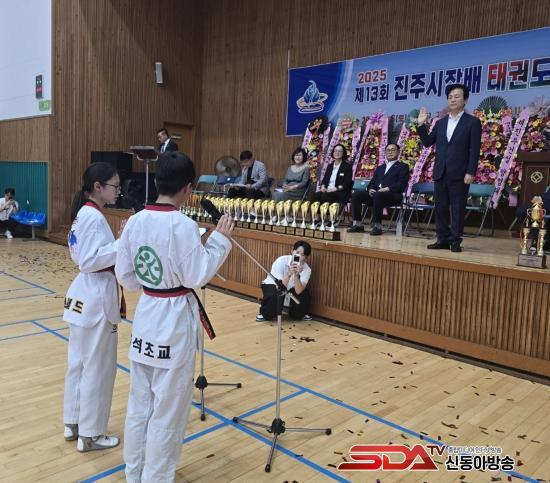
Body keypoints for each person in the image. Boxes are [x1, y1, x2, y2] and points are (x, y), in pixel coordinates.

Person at [115, 151, 234, 483]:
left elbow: (126, 278)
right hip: (173, 322)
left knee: (140, 404)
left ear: (157, 182)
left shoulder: (135, 221)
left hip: (146, 316)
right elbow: (197, 275)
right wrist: (221, 239)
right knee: (168, 410)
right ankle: (155, 477)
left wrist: (152, 282)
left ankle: (134, 472)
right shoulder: (183, 225)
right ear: (188, 188)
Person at [63, 162, 122, 452]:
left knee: (78, 363)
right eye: (115, 186)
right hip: (95, 298)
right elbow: (89, 260)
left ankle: (73, 422)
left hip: (83, 296)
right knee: (98, 368)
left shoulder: (84, 214)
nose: (118, 191)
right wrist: (124, 244)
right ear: (98, 187)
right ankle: (91, 434)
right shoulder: (93, 217)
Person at [417, 83, 482, 253]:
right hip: (441, 172)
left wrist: (471, 171)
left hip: (460, 173)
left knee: (457, 208)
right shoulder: (440, 123)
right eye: (450, 97)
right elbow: (427, 142)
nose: (453, 99)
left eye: (457, 96)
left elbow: (474, 150)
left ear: (465, 100)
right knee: (440, 208)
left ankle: (455, 241)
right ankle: (442, 239)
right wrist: (421, 125)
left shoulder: (472, 122)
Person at [347, 143, 409, 235]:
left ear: (398, 152)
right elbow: (372, 182)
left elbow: (402, 184)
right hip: (377, 195)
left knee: (378, 195)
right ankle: (357, 224)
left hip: (393, 195)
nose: (390, 152)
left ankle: (377, 226)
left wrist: (387, 188)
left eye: (393, 150)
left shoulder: (403, 167)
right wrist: (370, 189)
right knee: (356, 194)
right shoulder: (380, 168)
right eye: (388, 150)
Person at [256, 240, 313, 322]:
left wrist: (296, 276)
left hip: (292, 289)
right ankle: (264, 313)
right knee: (274, 292)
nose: (299, 256)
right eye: (297, 252)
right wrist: (289, 273)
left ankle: (299, 314)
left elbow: (299, 291)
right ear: (292, 250)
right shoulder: (281, 260)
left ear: (306, 257)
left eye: (302, 255)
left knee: (305, 295)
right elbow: (279, 286)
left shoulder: (307, 269)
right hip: (275, 285)